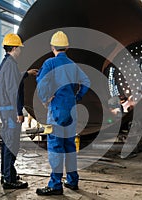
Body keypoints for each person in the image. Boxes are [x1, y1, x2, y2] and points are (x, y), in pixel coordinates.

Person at [35, 31, 90, 195]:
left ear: (53, 47)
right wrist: (77, 96)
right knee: (70, 147)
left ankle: (55, 185)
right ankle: (72, 181)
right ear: (67, 47)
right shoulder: (73, 65)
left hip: (57, 111)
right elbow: (86, 81)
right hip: (72, 110)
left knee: (56, 148)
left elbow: (41, 81)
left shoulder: (50, 63)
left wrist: (46, 98)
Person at [0, 33, 37, 189]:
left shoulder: (6, 64)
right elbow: (13, 90)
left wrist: (26, 74)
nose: (20, 51)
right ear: (14, 48)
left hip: (7, 110)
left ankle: (7, 174)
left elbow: (13, 81)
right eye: (19, 48)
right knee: (11, 144)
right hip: (11, 111)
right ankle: (9, 179)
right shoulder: (11, 65)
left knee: (7, 143)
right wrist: (18, 112)